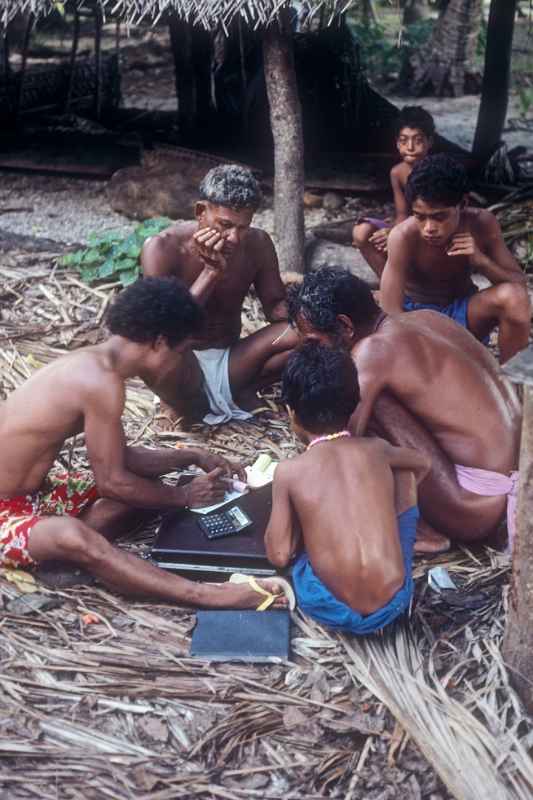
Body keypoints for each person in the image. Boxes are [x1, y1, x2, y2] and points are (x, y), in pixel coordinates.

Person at [0, 278, 287, 610]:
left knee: (144, 489)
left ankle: (59, 554)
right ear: (159, 343)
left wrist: (193, 456)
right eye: (181, 353)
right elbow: (112, 483)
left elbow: (123, 460)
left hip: (34, 497)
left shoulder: (96, 365)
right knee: (73, 535)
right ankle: (207, 594)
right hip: (5, 512)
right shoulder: (100, 381)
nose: (180, 363)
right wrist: (183, 496)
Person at [288, 268, 522, 552]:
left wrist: (302, 431)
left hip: (477, 506)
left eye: (314, 342)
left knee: (352, 407)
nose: (313, 351)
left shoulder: (373, 352)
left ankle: (420, 531)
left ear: (345, 326)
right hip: (514, 481)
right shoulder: (426, 318)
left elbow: (337, 447)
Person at [264, 341, 430, 634]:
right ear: (353, 404)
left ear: (291, 413)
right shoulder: (377, 449)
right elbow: (423, 465)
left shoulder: (288, 471)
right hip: (394, 602)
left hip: (329, 606)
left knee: (301, 525)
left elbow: (278, 555)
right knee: (402, 473)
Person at [141, 163, 298, 427]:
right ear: (201, 212)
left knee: (311, 331)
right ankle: (175, 403)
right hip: (181, 367)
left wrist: (311, 309)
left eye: (243, 227)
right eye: (225, 225)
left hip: (233, 362)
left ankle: (243, 389)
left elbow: (275, 309)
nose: (234, 238)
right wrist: (210, 273)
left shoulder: (257, 244)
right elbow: (164, 331)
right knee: (156, 350)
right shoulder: (162, 248)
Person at [380, 153, 530, 363]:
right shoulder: (403, 236)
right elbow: (390, 312)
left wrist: (481, 261)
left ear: (462, 204)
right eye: (420, 217)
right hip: (417, 319)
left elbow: (520, 285)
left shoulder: (482, 223)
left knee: (515, 298)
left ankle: (509, 383)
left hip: (464, 315)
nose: (429, 228)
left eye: (440, 216)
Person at [352, 106, 435, 279]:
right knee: (362, 233)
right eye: (404, 141)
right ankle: (390, 284)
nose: (410, 147)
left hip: (431, 228)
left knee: (396, 239)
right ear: (397, 143)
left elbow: (434, 215)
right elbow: (402, 213)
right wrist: (392, 231)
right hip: (407, 224)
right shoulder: (397, 172)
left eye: (418, 141)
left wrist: (396, 233)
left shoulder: (437, 170)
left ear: (430, 142)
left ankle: (412, 287)